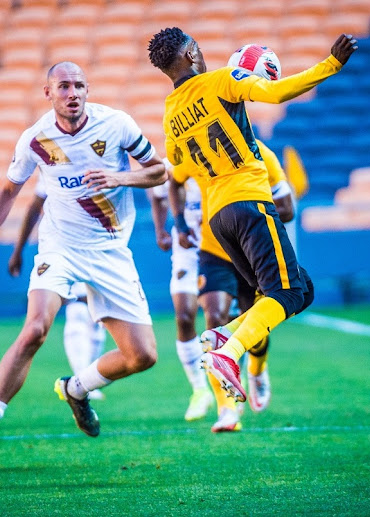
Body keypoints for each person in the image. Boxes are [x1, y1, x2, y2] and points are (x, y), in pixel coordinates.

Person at [0, 61, 166, 460]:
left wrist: (119, 178)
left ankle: (75, 389)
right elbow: (10, 191)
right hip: (60, 247)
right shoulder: (36, 139)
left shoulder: (117, 124)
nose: (73, 93)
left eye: (80, 85)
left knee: (143, 356)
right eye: (64, 86)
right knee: (35, 329)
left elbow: (159, 172)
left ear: (88, 90)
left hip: (110, 250)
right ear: (48, 93)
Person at [148, 27, 356, 402]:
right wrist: (332, 64)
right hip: (249, 201)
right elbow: (275, 93)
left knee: (298, 289)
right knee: (289, 293)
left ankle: (227, 333)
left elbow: (176, 169)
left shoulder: (170, 115)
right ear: (191, 53)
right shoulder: (222, 80)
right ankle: (229, 354)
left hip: (218, 220)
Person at [167, 139, 296, 432]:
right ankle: (227, 409)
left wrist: (249, 207)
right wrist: (180, 223)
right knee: (214, 321)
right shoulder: (200, 150)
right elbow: (173, 182)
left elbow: (287, 209)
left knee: (255, 324)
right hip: (214, 251)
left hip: (253, 250)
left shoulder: (263, 155)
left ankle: (257, 368)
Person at [8, 172, 106, 399]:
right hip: (65, 247)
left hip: (101, 246)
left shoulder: (103, 160)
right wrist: (18, 249)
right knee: (78, 308)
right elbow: (34, 207)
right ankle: (81, 377)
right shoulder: (54, 168)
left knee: (99, 314)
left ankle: (88, 379)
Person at [148, 172, 214, 422]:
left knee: (221, 317)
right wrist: (160, 230)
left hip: (220, 249)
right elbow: (156, 194)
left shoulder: (215, 158)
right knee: (184, 316)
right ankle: (199, 389)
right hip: (186, 251)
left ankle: (238, 380)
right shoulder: (173, 164)